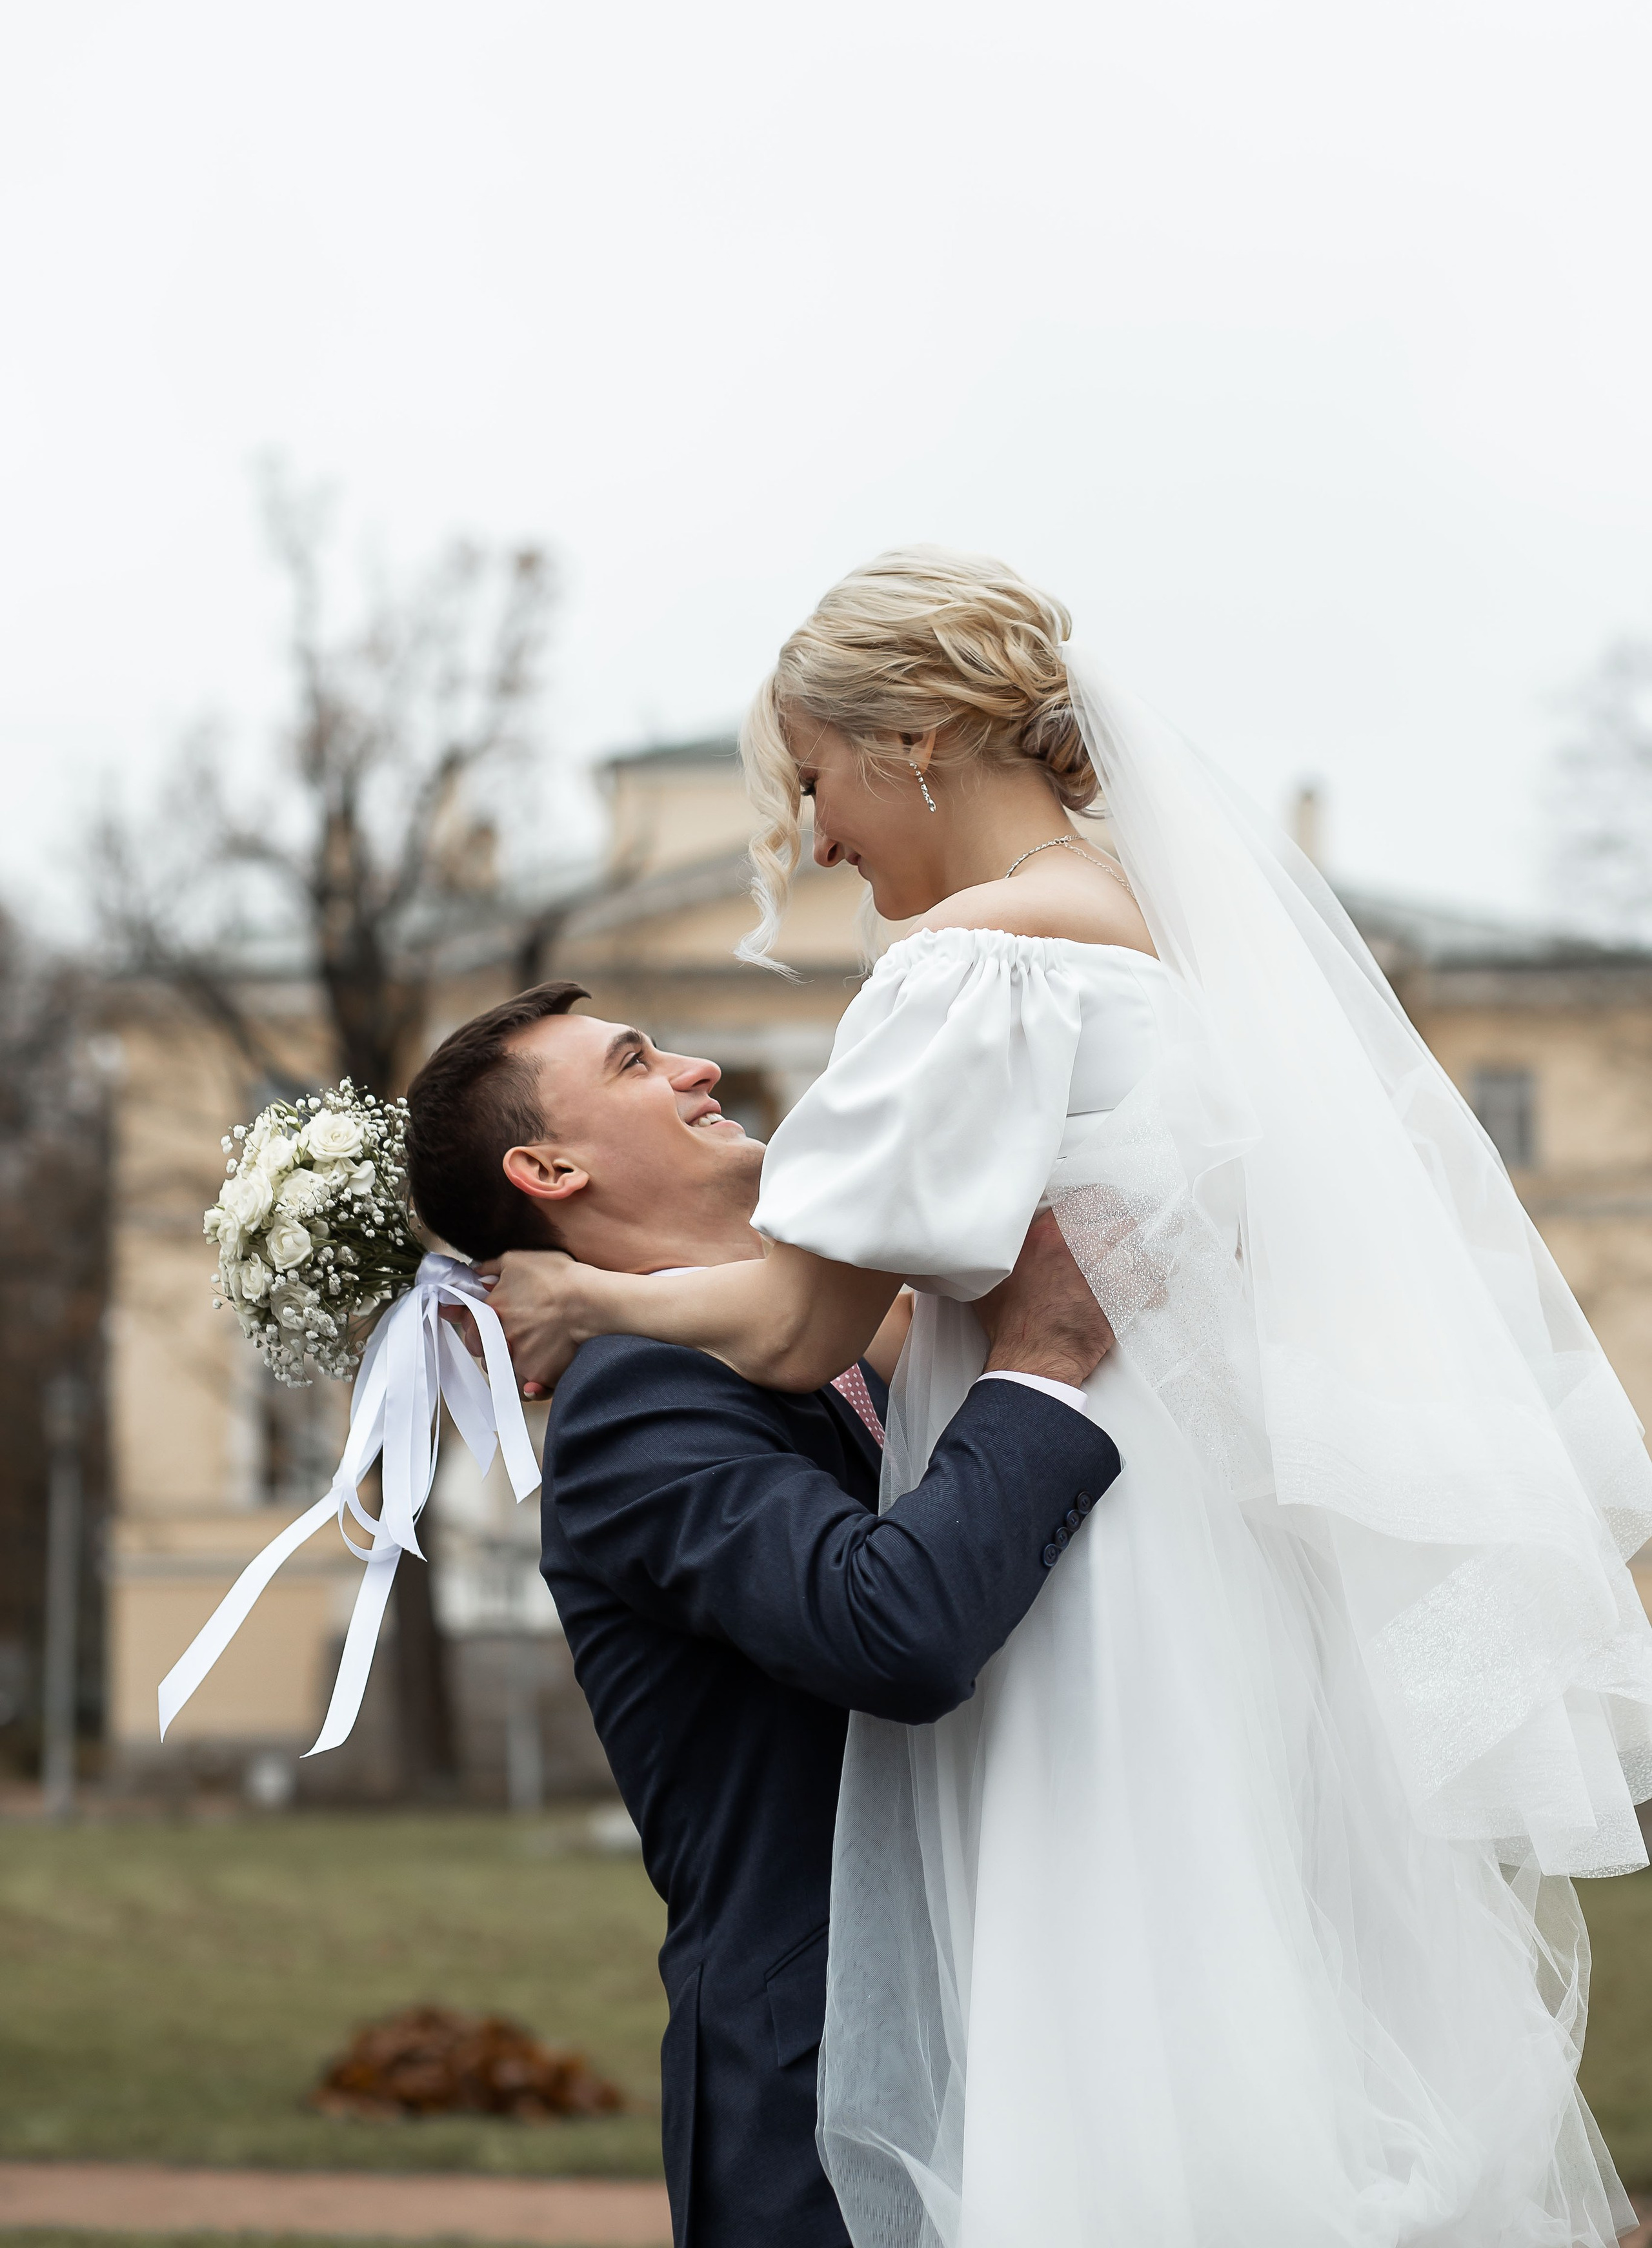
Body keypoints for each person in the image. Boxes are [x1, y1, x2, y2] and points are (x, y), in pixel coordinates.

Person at [484, 546, 1652, 2247]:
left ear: (914, 741)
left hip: (1087, 1569)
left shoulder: (968, 966)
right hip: (1216, 1556)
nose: (815, 839)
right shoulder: (1159, 947)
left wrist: (587, 1293)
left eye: (814, 781)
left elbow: (806, 1329)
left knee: (1082, 2010)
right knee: (1216, 1999)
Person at [403, 982, 1120, 2248]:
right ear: (549, 1168)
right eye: (635, 1062)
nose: (695, 1066)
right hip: (831, 2098)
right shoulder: (636, 1401)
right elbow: (890, 1626)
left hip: (1010, 2032)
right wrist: (1041, 1367)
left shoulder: (811, 1337)